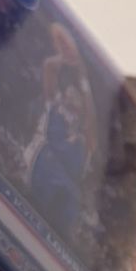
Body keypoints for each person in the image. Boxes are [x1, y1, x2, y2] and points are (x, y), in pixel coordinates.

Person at [24, 23, 97, 241]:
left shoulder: (85, 133)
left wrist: (83, 79)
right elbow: (48, 67)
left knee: (54, 230)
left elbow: (91, 116)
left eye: (75, 94)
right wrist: (65, 57)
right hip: (41, 165)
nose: (71, 94)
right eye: (70, 92)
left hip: (64, 186)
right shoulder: (55, 103)